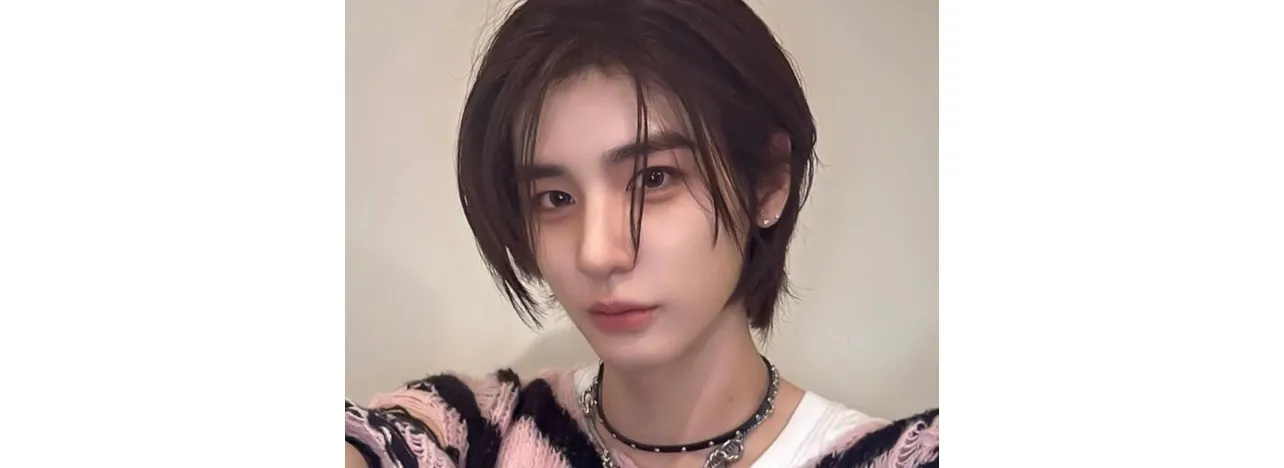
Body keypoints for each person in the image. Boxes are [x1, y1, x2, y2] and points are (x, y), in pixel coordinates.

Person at [345, 0, 939, 466]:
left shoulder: (892, 456)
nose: (596, 252)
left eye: (655, 179)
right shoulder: (476, 434)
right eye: (555, 198)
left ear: (766, 184)